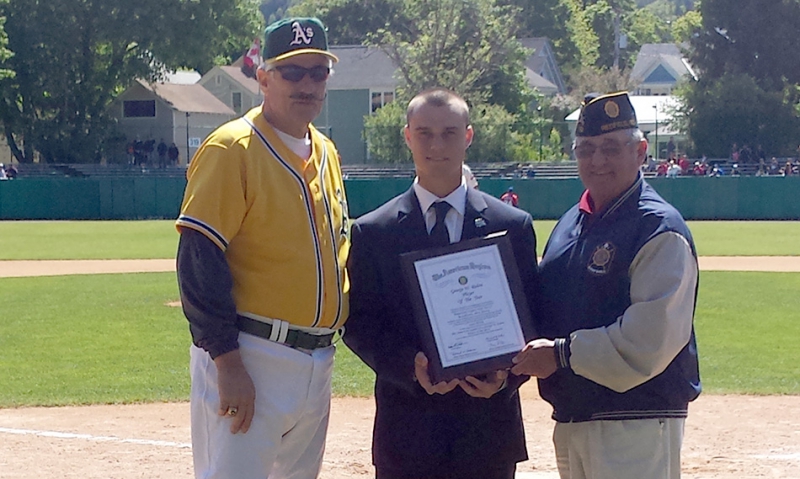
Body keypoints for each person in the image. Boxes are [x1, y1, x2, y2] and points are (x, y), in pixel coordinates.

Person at [175, 17, 349, 479]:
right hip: (251, 354)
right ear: (264, 77)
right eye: (293, 72)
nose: (307, 83)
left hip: (318, 358)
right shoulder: (233, 148)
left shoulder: (327, 152)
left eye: (318, 71)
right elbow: (197, 257)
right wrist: (227, 361)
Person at [343, 88, 541, 479]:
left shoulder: (512, 226)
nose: (437, 145)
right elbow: (359, 324)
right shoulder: (373, 232)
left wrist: (505, 378)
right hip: (407, 434)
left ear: (468, 136)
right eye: (425, 133)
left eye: (449, 133)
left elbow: (534, 318)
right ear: (408, 137)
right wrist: (407, 365)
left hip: (488, 434)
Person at [511, 91, 700, 479]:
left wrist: (562, 354)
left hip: (637, 421)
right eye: (586, 149)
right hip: (572, 418)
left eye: (611, 148)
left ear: (641, 151)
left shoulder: (657, 227)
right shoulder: (570, 224)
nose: (597, 161)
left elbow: (649, 341)